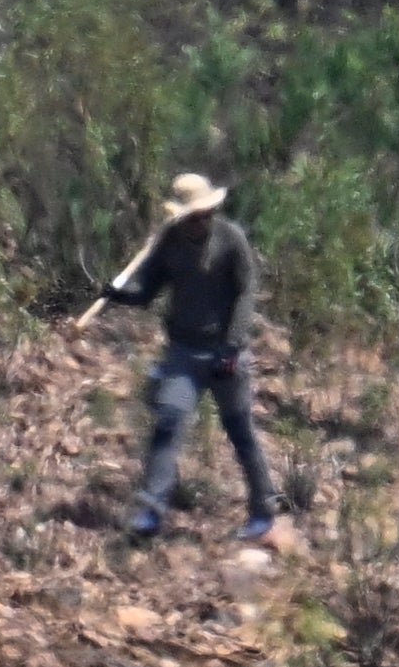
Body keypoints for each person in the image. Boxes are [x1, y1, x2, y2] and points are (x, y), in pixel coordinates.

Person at [104, 173, 277, 544]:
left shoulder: (231, 240)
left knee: (240, 431)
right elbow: (147, 291)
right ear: (180, 217)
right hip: (183, 352)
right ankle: (151, 509)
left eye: (208, 213)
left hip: (226, 354)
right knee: (168, 423)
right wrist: (120, 294)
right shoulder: (166, 243)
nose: (203, 220)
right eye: (195, 215)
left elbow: (246, 293)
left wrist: (233, 346)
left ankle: (263, 508)